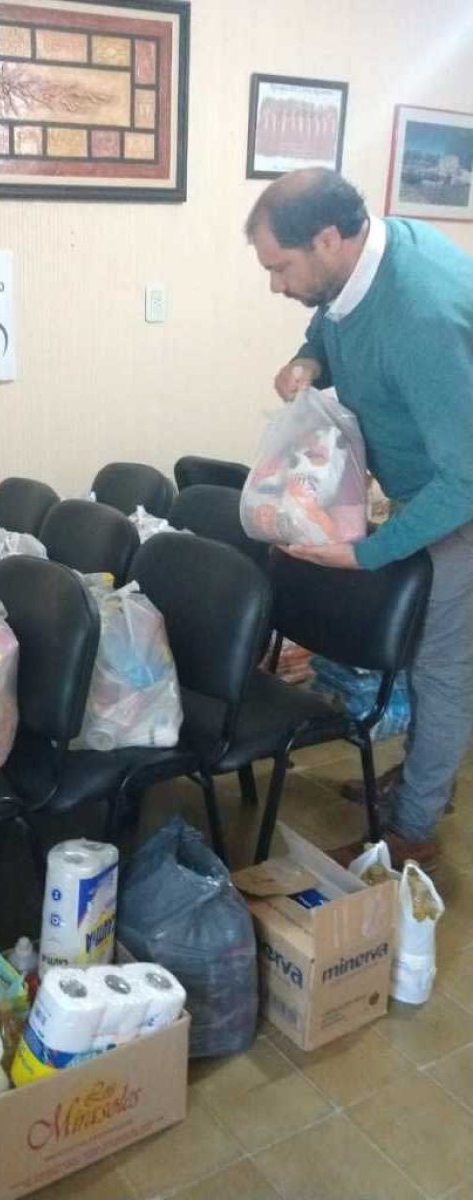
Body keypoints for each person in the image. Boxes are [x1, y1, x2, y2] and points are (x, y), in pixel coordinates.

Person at [245, 167, 473, 867]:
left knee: (441, 665)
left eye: (281, 268)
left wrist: (366, 555)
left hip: (458, 491)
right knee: (422, 652)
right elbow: (331, 321)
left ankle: (414, 830)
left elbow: (466, 477)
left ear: (327, 238)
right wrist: (309, 360)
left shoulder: (423, 314)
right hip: (430, 479)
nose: (276, 286)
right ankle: (424, 779)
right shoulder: (358, 270)